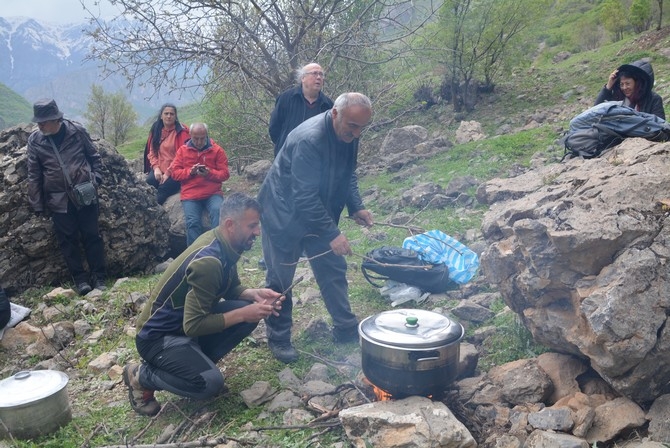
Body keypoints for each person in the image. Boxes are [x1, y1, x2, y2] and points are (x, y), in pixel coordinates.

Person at [123, 192, 283, 416]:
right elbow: (194, 325)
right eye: (252, 226)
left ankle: (196, 365)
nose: (258, 232)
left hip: (183, 327)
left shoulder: (224, 244)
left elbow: (229, 288)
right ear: (230, 225)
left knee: (244, 315)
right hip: (157, 339)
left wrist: (254, 294)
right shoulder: (209, 261)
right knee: (209, 384)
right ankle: (141, 376)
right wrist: (245, 312)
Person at [258, 92, 375, 363]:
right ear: (335, 114)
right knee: (280, 279)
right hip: (283, 212)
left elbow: (348, 172)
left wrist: (355, 205)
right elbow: (303, 196)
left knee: (333, 268)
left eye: (362, 128)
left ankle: (345, 327)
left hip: (316, 211)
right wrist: (332, 233)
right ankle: (279, 337)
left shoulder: (349, 134)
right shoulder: (310, 140)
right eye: (352, 126)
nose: (357, 134)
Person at [27, 99, 107, 296]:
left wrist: (95, 179)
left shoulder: (76, 131)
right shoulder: (35, 141)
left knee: (92, 236)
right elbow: (34, 174)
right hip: (58, 200)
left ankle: (99, 277)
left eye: (43, 121)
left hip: (84, 193)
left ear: (56, 119)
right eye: (38, 122)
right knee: (67, 241)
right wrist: (37, 204)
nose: (40, 125)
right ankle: (80, 280)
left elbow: (94, 156)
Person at [170, 123, 230, 246]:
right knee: (192, 222)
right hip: (190, 195)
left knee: (217, 212)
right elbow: (175, 174)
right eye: (195, 138)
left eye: (202, 138)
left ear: (207, 135)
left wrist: (209, 173)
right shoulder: (182, 151)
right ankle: (193, 255)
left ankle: (217, 248)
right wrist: (190, 172)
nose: (199, 141)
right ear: (190, 135)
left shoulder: (217, 150)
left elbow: (225, 174)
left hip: (212, 193)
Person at [269, 62, 334, 158]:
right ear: (303, 78)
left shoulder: (328, 105)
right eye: (314, 73)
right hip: (287, 158)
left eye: (321, 74)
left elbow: (331, 134)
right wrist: (283, 145)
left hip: (316, 160)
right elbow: (274, 128)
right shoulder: (286, 98)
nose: (319, 77)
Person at [144, 104, 190, 204]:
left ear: (175, 116)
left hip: (176, 170)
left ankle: (154, 214)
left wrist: (168, 174)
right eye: (166, 114)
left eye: (171, 114)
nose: (169, 116)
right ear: (161, 116)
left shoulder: (181, 132)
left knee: (162, 190)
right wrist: (156, 168)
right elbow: (152, 152)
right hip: (159, 168)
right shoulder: (156, 129)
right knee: (149, 183)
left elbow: (181, 157)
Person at [595, 59, 665, 119]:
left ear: (637, 83)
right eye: (621, 84)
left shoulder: (653, 99)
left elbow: (660, 127)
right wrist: (608, 86)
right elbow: (596, 110)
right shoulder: (618, 99)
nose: (624, 88)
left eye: (628, 84)